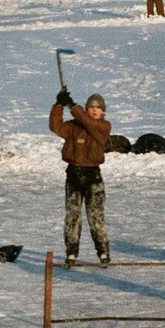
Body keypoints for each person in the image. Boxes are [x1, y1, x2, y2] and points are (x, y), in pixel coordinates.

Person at [49, 89, 112, 267]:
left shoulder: (103, 127)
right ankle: (71, 252)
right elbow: (55, 126)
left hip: (93, 176)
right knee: (72, 216)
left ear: (103, 112)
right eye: (91, 107)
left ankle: (103, 251)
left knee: (95, 215)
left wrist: (72, 106)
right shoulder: (74, 126)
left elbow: (89, 123)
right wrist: (59, 105)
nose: (94, 110)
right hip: (73, 175)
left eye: (98, 108)